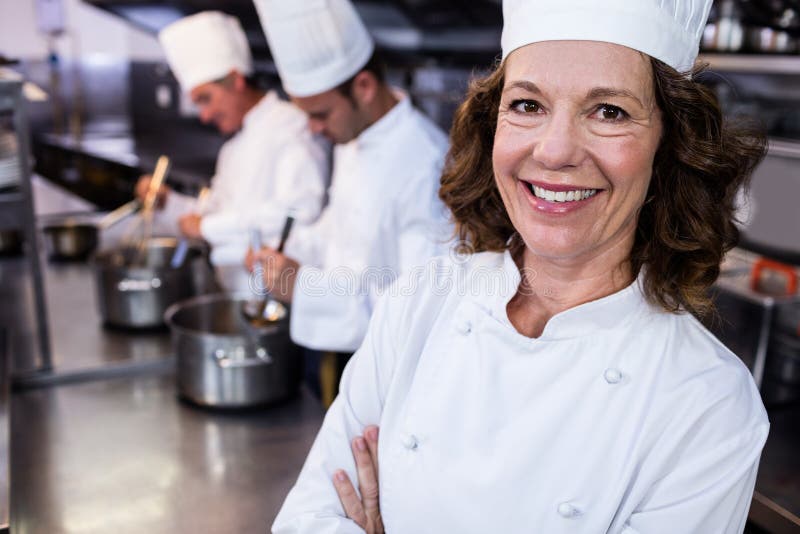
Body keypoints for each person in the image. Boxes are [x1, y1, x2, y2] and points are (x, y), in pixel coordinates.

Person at [271, 0, 770, 532]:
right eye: (528, 105)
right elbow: (305, 519)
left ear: (670, 143)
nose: (554, 152)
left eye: (609, 111)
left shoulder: (708, 404)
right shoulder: (421, 301)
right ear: (493, 126)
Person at [250, 0, 451, 397]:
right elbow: (339, 235)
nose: (312, 128)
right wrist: (283, 257)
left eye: (321, 114)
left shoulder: (426, 165)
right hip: (339, 359)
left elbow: (415, 311)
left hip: (391, 382)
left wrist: (303, 288)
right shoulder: (353, 137)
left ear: (363, 87)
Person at [136, 11, 329, 292]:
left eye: (206, 99)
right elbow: (215, 211)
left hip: (277, 304)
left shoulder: (291, 127)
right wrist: (169, 203)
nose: (204, 115)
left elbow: (300, 210)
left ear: (236, 80)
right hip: (234, 294)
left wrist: (208, 229)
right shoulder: (233, 147)